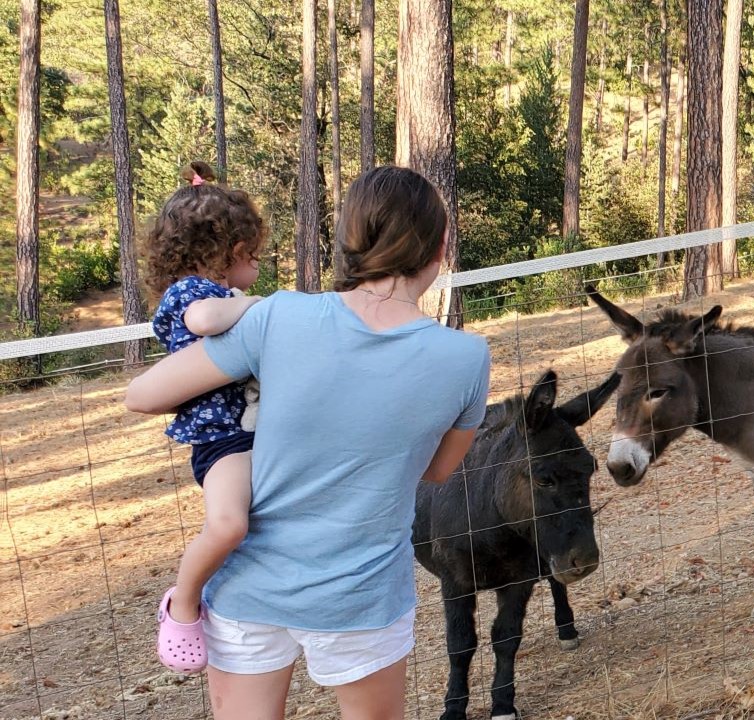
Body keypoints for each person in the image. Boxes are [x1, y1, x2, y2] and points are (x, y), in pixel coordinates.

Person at [126, 166, 492, 718]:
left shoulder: (278, 316)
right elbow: (438, 471)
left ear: (348, 240)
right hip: (361, 596)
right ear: (440, 244)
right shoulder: (467, 359)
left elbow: (145, 394)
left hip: (248, 589)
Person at [142, 162, 269, 675]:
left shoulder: (221, 295)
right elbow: (203, 322)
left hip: (250, 431)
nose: (259, 263)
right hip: (223, 441)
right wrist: (254, 304)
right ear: (225, 254)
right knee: (228, 524)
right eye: (253, 253)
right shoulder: (195, 295)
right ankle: (184, 603)